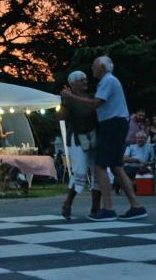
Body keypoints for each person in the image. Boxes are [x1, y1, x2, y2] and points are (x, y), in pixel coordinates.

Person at [60, 56, 147, 222]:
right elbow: (65, 115)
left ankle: (107, 209)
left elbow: (96, 104)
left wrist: (71, 98)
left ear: (102, 67)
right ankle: (136, 206)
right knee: (115, 166)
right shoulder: (104, 84)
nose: (90, 70)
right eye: (81, 79)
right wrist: (68, 101)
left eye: (93, 66)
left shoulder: (107, 82)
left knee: (100, 167)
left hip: (111, 126)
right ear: (73, 84)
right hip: (99, 132)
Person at [59, 70, 101, 219]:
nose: (85, 81)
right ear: (73, 84)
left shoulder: (91, 98)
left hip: (93, 138)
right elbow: (61, 117)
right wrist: (65, 100)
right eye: (81, 80)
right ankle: (68, 203)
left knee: (98, 172)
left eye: (85, 79)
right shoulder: (69, 99)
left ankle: (95, 209)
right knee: (80, 172)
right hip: (77, 139)